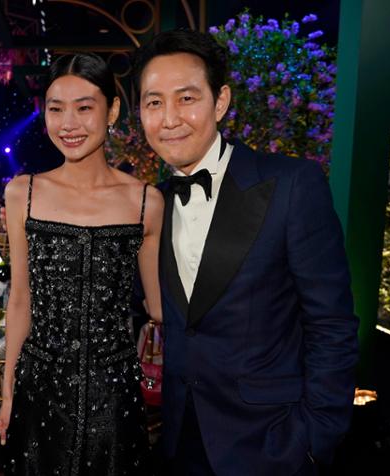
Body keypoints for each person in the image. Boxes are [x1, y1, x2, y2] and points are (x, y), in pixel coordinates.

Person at [132, 29, 359, 476]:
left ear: (220, 102)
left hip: (273, 444)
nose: (169, 118)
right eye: (154, 102)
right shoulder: (152, 204)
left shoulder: (292, 185)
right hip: (179, 442)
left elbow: (332, 325)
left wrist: (315, 441)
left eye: (186, 98)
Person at [0, 52, 164, 475]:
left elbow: (160, 308)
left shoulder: (146, 201)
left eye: (84, 108)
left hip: (115, 393)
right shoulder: (22, 193)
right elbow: (20, 300)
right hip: (38, 388)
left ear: (113, 110)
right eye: (56, 109)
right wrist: (8, 393)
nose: (68, 124)